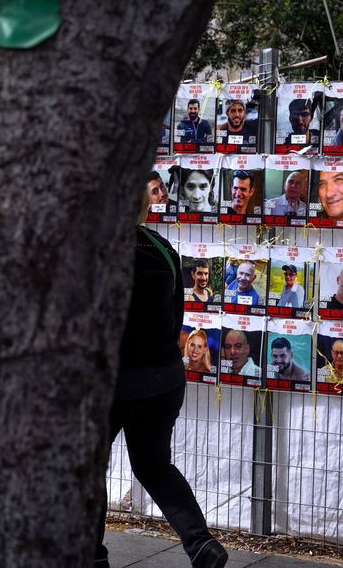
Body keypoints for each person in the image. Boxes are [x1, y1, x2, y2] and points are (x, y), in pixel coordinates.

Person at [93, 185, 227, 568]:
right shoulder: (161, 246)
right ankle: (201, 544)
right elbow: (176, 319)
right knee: (153, 464)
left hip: (114, 382)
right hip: (164, 378)